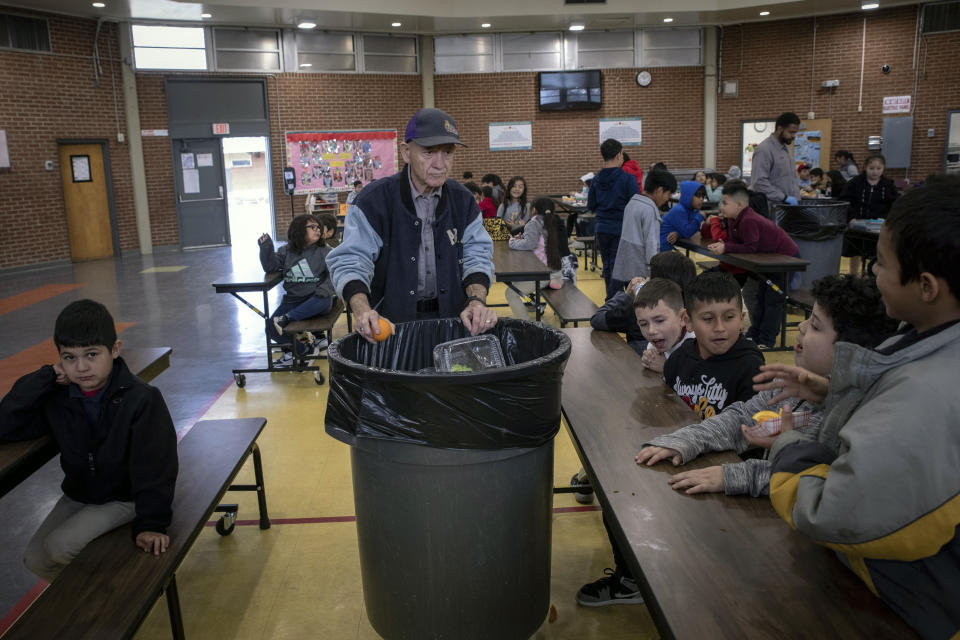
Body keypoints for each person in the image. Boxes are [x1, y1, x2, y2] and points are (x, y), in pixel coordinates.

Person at [765, 178, 960, 639]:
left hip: (921, 608)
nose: (872, 272)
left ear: (927, 286)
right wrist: (836, 392)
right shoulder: (932, 341)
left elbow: (834, 512)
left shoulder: (926, 398)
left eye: (884, 265)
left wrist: (790, 446)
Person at [636, 274, 897, 497]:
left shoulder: (858, 414)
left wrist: (733, 476)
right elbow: (739, 417)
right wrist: (682, 440)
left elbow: (816, 478)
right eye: (808, 319)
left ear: (849, 350)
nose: (802, 328)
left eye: (815, 325)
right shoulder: (791, 381)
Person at [0, 300, 178, 582]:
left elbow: (156, 466)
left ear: (115, 349)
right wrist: (44, 377)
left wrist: (152, 524)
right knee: (34, 558)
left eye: (92, 354)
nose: (81, 367)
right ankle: (85, 603)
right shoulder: (60, 398)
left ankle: (108, 600)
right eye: (69, 358)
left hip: (125, 497)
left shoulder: (141, 399)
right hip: (81, 494)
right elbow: (5, 425)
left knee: (58, 548)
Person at [326, 107, 497, 342]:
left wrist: (476, 301)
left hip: (452, 319)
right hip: (391, 324)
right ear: (406, 153)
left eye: (448, 152)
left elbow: (477, 253)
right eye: (429, 152)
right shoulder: (374, 201)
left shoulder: (463, 200)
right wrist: (362, 310)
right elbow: (352, 260)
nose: (441, 164)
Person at [708, 180, 799, 348]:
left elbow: (750, 247)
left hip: (785, 258)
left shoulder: (749, 220)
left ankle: (766, 339)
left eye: (725, 203)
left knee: (772, 300)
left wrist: (726, 247)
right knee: (761, 297)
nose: (722, 207)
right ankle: (755, 333)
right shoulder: (733, 219)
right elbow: (739, 243)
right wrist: (724, 245)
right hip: (769, 259)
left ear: (739, 204)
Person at [664, 271, 765, 419]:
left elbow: (750, 428)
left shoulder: (752, 369)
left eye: (729, 317)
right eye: (708, 318)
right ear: (688, 321)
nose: (719, 328)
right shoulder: (678, 359)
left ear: (741, 319)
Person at [259, 213, 337, 361]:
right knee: (270, 327)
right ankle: (303, 350)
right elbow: (271, 267)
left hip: (315, 300)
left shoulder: (325, 251)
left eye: (318, 227)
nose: (318, 230)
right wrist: (266, 248)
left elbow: (333, 275)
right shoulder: (286, 251)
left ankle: (287, 318)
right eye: (312, 227)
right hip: (293, 301)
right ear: (300, 230)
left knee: (324, 300)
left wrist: (323, 290)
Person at [590, 251, 696, 356]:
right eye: (644, 324)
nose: (652, 331)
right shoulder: (695, 310)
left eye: (649, 276)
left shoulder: (637, 308)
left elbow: (597, 319)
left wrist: (627, 296)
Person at [505, 197, 578, 317]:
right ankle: (537, 299)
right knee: (515, 280)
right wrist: (523, 239)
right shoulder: (555, 220)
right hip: (555, 268)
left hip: (543, 273)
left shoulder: (534, 222)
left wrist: (512, 241)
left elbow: (529, 244)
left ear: (533, 209)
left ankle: (526, 326)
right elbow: (538, 242)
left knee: (510, 293)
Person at [590, 138, 642, 300]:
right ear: (620, 155)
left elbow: (591, 205)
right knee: (620, 267)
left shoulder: (596, 180)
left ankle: (613, 299)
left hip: (602, 228)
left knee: (608, 266)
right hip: (622, 229)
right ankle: (614, 302)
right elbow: (636, 205)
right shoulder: (628, 179)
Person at [610, 169, 676, 290]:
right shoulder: (649, 209)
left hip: (626, 265)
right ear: (660, 190)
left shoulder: (632, 202)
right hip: (641, 269)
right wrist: (654, 271)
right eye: (668, 194)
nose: (668, 198)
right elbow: (652, 243)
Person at [839, 152, 899, 274]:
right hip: (857, 225)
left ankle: (874, 278)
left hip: (879, 227)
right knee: (855, 252)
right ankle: (852, 275)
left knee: (878, 253)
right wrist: (851, 218)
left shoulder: (888, 185)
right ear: (865, 168)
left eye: (878, 168)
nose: (875, 172)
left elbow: (894, 204)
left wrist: (887, 219)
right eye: (871, 168)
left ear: (883, 169)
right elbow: (845, 200)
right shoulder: (855, 182)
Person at [634, 278, 695, 374]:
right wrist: (649, 359)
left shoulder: (699, 348)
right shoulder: (658, 341)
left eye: (659, 321)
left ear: (683, 318)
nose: (651, 331)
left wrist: (666, 368)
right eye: (643, 324)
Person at [750, 112, 802, 207]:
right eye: (791, 132)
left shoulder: (786, 148)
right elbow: (759, 183)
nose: (794, 136)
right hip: (772, 208)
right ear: (780, 129)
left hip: (787, 207)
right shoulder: (764, 150)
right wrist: (784, 197)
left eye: (795, 133)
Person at [659, 180, 706, 252]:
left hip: (668, 247)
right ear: (688, 195)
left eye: (703, 195)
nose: (701, 199)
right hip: (660, 249)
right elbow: (688, 232)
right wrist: (700, 217)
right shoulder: (679, 210)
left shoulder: (691, 210)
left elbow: (687, 230)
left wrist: (678, 234)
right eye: (698, 195)